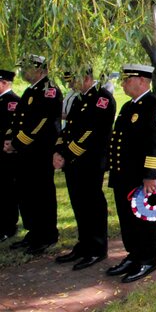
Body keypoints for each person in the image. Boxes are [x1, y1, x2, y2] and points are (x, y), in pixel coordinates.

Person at [105, 64, 156, 283]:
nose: (123, 83)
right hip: (124, 175)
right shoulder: (127, 108)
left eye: (127, 79)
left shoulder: (155, 107)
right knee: (127, 218)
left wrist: (151, 175)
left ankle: (147, 259)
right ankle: (133, 255)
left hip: (143, 178)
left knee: (145, 219)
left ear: (142, 81)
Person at [53, 67, 116, 270]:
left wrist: (67, 153)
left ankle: (97, 248)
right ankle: (84, 244)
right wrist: (59, 150)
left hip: (90, 161)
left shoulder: (102, 99)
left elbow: (91, 133)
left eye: (74, 80)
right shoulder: (80, 98)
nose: (70, 85)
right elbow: (69, 128)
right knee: (78, 203)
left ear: (87, 77)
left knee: (92, 204)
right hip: (74, 161)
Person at [3, 54, 62, 255]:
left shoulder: (49, 90)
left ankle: (46, 234)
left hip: (40, 151)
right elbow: (18, 121)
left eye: (26, 68)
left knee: (41, 193)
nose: (23, 72)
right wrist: (10, 139)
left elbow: (41, 123)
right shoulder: (30, 90)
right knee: (27, 192)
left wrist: (18, 142)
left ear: (39, 68)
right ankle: (34, 231)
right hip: (26, 151)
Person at [0, 69, 22, 242]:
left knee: (7, 190)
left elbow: (12, 128)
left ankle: (9, 226)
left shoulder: (13, 102)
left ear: (4, 83)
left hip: (6, 153)